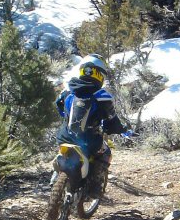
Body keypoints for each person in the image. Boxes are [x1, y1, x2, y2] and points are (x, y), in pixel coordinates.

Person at [55, 54, 131, 192]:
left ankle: (56, 176)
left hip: (64, 136)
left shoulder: (67, 91)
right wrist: (119, 129)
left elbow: (59, 107)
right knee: (105, 152)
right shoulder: (102, 96)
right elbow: (111, 119)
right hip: (88, 142)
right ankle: (94, 189)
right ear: (99, 74)